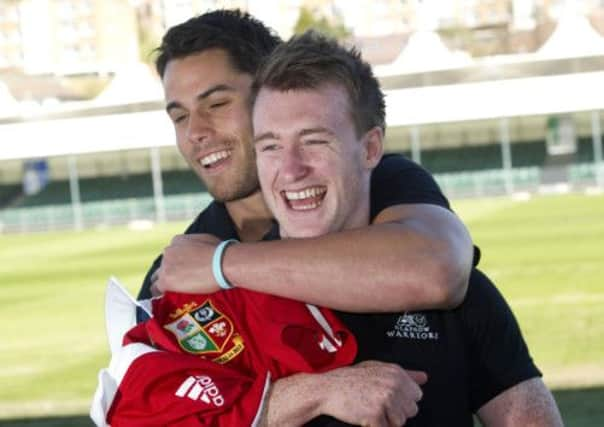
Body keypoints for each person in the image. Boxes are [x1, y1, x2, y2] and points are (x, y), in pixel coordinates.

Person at [248, 31, 563, 426]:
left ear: (370, 149)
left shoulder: (459, 294)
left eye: (313, 141)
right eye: (270, 146)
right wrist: (312, 394)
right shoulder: (225, 305)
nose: (291, 170)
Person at [138, 9, 475, 315]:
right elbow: (150, 380)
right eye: (180, 117)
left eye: (216, 104)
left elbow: (436, 269)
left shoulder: (378, 180)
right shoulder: (177, 267)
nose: (195, 131)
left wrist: (219, 266)